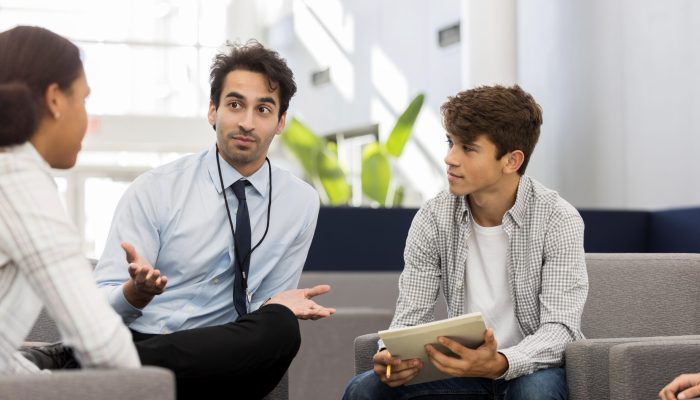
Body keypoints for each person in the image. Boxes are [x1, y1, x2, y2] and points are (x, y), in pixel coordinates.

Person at [89, 40, 335, 399]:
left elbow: (264, 311)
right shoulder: (156, 189)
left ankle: (111, 368)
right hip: (148, 335)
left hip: (227, 349)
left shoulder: (299, 202)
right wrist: (135, 294)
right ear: (212, 111)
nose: (247, 122)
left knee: (281, 328)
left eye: (263, 109)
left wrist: (278, 307)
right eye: (235, 105)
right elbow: (99, 305)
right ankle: (128, 366)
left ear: (281, 122)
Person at [343, 85, 589, 400]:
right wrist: (391, 356)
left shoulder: (558, 219)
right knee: (364, 389)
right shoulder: (433, 217)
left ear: (511, 161)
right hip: (463, 369)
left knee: (535, 394)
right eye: (450, 143)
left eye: (468, 148)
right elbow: (410, 316)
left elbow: (560, 331)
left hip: (534, 368)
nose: (450, 158)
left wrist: (500, 362)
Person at [0, 26, 140, 373]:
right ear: (55, 99)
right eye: (84, 99)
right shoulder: (19, 182)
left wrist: (44, 382)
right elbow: (106, 348)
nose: (85, 116)